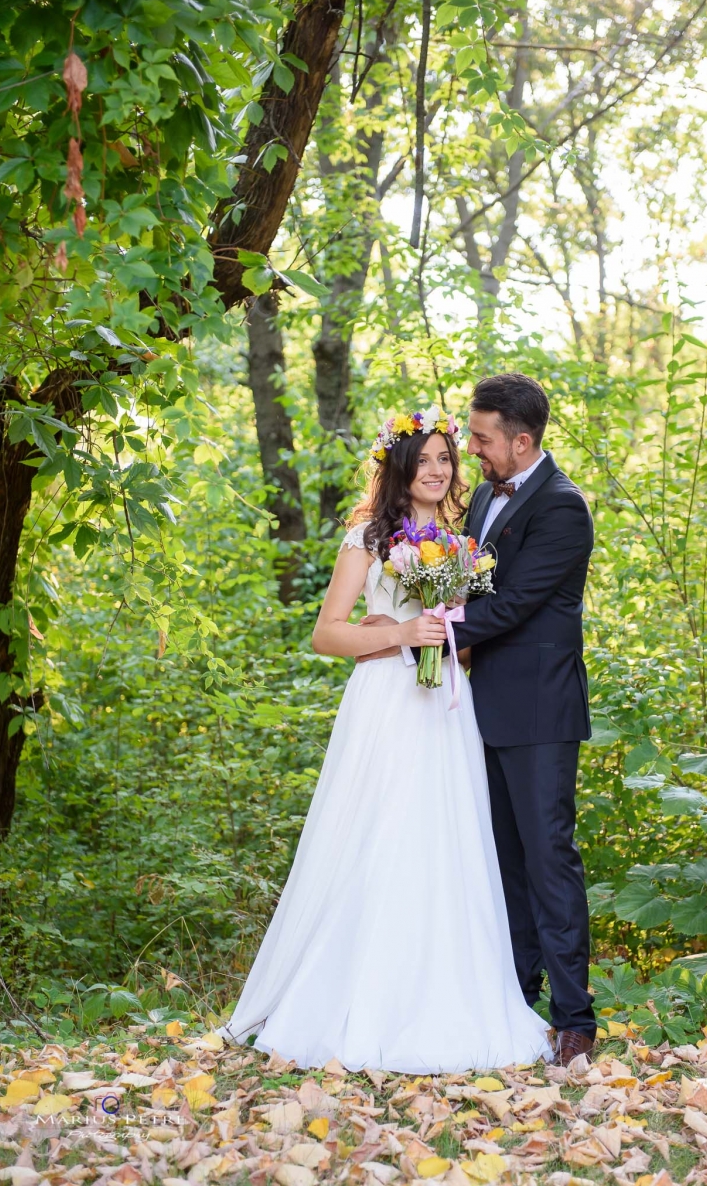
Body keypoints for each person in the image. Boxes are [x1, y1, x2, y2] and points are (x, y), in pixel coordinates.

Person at [217, 403, 553, 1073]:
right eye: (423, 458)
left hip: (445, 712)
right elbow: (326, 632)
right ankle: (357, 995)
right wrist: (400, 633)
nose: (437, 469)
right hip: (385, 705)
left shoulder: (464, 541)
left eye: (446, 458)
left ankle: (448, 995)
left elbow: (465, 629)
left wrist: (450, 643)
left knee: (445, 842)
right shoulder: (367, 538)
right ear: (399, 465)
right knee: (380, 835)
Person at [363, 375, 597, 1067]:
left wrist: (424, 630)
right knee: (501, 864)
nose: (472, 449)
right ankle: (511, 999)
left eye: (483, 438)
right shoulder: (486, 503)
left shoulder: (561, 509)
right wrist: (409, 621)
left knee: (548, 857)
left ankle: (574, 1018)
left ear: (521, 441)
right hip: (471, 709)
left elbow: (513, 604)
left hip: (537, 712)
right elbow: (466, 584)